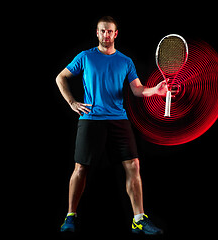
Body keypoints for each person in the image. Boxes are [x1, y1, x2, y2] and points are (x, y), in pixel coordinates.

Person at [56, 16, 166, 235]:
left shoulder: (125, 61)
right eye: (102, 31)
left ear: (116, 34)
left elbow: (137, 89)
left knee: (133, 165)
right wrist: (72, 102)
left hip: (118, 118)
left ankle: (138, 219)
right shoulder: (85, 57)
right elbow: (61, 78)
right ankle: (70, 216)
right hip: (91, 119)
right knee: (80, 168)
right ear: (97, 33)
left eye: (110, 32)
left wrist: (155, 90)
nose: (106, 35)